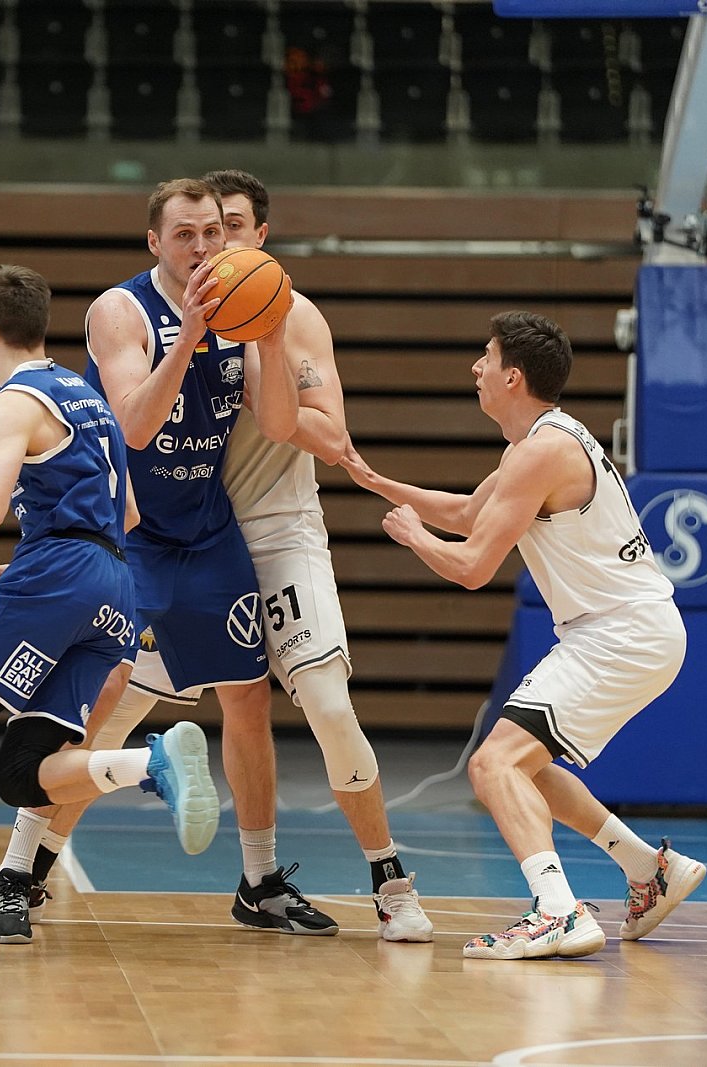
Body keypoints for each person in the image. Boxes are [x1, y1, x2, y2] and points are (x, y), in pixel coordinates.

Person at [0, 179, 340, 943]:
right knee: (96, 704)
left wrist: (266, 336)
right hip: (128, 533)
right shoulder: (121, 310)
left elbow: (283, 423)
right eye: (185, 234)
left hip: (206, 531)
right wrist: (189, 337)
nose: (203, 247)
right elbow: (135, 427)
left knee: (249, 700)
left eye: (212, 231)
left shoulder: (241, 308)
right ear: (155, 242)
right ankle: (16, 872)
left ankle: (260, 880)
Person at [0, 263, 220, 959]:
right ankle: (146, 762)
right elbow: (128, 512)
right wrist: (46, 560)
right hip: (114, 584)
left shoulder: (14, 400)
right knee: (22, 770)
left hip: (63, 576)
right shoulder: (87, 397)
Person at [341, 311, 707, 960]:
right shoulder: (537, 443)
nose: (475, 367)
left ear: (513, 376)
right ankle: (648, 869)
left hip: (619, 633)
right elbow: (466, 512)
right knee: (522, 766)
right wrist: (372, 478)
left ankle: (558, 912)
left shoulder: (541, 452)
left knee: (493, 765)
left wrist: (414, 536)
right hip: (629, 631)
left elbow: (472, 565)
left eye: (485, 357)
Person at [204, 168, 432, 943]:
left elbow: (334, 438)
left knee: (329, 706)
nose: (220, 240)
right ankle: (23, 867)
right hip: (192, 539)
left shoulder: (292, 315)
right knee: (110, 698)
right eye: (208, 228)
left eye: (235, 225)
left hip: (278, 529)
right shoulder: (162, 317)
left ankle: (389, 879)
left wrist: (265, 388)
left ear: (261, 235)